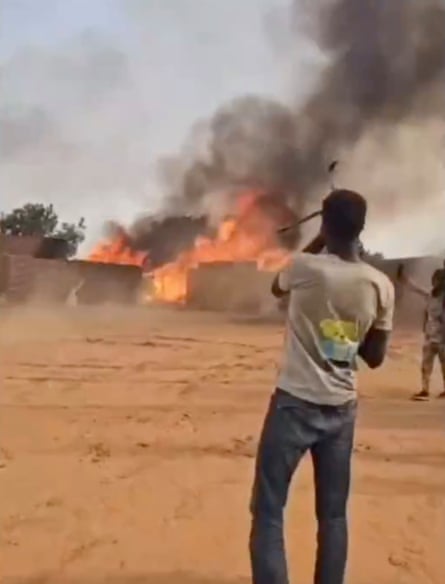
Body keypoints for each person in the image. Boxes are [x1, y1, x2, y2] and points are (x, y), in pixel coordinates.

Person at [249, 189, 394, 584]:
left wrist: (319, 237)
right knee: (332, 516)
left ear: (325, 224)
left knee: (268, 510)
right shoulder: (379, 285)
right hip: (341, 411)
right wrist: (345, 331)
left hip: (293, 404)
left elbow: (276, 288)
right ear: (361, 228)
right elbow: (374, 356)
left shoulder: (303, 268)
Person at [398, 266, 445, 401]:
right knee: (426, 365)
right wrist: (405, 279)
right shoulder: (431, 295)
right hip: (430, 336)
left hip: (442, 338)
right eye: (435, 279)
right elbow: (415, 289)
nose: (435, 282)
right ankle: (425, 390)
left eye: (439, 280)